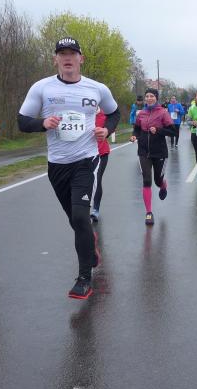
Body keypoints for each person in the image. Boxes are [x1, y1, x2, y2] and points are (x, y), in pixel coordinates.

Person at [18, 37, 121, 300]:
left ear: (81, 59)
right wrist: (42, 123)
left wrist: (106, 129)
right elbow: (22, 121)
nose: (67, 58)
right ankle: (90, 246)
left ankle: (84, 278)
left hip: (87, 160)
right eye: (62, 53)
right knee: (75, 220)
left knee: (80, 217)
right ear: (55, 59)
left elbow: (114, 113)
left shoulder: (97, 88)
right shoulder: (42, 88)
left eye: (72, 53)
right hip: (57, 164)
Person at [129, 88, 176, 225]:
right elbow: (137, 129)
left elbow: (173, 131)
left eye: (152, 96)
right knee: (146, 180)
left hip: (160, 152)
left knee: (157, 180)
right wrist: (134, 136)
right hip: (143, 151)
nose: (149, 98)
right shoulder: (141, 113)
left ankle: (163, 185)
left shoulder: (163, 112)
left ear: (156, 98)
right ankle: (149, 213)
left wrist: (158, 130)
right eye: (147, 96)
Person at [90, 110, 111, 222]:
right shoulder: (82, 113)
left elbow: (111, 128)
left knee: (97, 180)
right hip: (85, 154)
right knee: (85, 181)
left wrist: (106, 131)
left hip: (101, 153)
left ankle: (95, 210)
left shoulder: (104, 114)